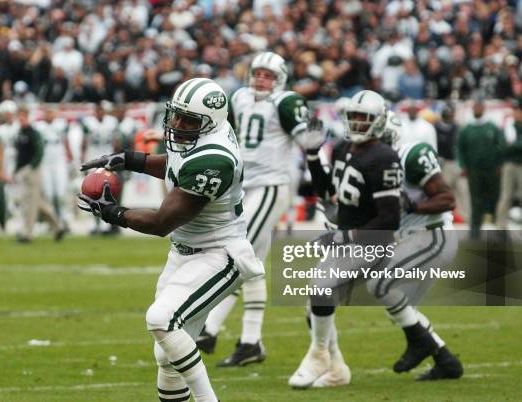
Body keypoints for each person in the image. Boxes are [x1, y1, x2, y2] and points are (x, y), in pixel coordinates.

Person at [78, 78, 264, 402]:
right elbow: (177, 166)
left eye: (189, 120)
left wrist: (115, 214)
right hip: (185, 251)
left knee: (161, 320)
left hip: (220, 254)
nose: (178, 124)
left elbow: (163, 221)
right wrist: (129, 159)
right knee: (167, 357)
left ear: (210, 123)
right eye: (176, 115)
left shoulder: (215, 158)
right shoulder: (201, 140)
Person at [196, 51, 324, 367]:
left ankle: (208, 329)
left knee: (236, 251)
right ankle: (250, 343)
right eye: (257, 73)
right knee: (251, 263)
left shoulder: (286, 101)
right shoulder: (238, 96)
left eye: (267, 75)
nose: (261, 79)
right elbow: (224, 134)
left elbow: (309, 141)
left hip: (271, 184)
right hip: (245, 184)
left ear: (279, 79)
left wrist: (318, 162)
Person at [289, 90, 402, 389]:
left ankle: (318, 355)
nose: (358, 124)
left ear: (378, 122)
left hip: (372, 243)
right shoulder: (342, 148)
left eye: (365, 118)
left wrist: (344, 235)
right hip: (349, 240)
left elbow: (390, 219)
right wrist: (313, 155)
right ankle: (336, 369)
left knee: (320, 287)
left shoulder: (385, 158)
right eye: (354, 117)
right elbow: (327, 192)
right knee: (315, 305)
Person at [370, 110, 463, 381]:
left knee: (380, 285)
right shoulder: (370, 164)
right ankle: (446, 360)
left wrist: (414, 205)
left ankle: (428, 347)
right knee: (403, 309)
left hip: (432, 235)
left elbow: (447, 199)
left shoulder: (411, 155)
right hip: (412, 239)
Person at [14, 107, 65, 243]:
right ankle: (58, 226)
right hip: (23, 170)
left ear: (28, 117)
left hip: (32, 171)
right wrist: (17, 170)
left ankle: (28, 234)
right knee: (38, 202)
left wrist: (32, 166)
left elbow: (39, 151)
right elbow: (19, 155)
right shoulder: (20, 133)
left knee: (29, 203)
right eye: (19, 116)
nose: (21, 119)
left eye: (23, 116)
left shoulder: (33, 133)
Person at [457, 100, 504, 239]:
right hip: (474, 170)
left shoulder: (492, 127)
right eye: (475, 107)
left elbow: (500, 147)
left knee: (496, 198)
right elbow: (460, 149)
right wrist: (463, 166)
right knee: (476, 200)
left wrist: (499, 165)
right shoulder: (467, 129)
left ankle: (499, 229)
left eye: (480, 107)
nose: (477, 109)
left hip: (492, 170)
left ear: (483, 109)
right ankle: (475, 230)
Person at [80, 101, 118, 235]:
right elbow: (84, 142)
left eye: (102, 110)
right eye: (98, 110)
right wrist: (83, 160)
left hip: (107, 161)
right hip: (93, 160)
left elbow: (115, 141)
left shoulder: (111, 122)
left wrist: (116, 159)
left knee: (108, 193)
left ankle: (106, 224)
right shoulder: (88, 123)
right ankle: (95, 223)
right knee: (92, 193)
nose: (100, 113)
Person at [34, 106, 72, 229]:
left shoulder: (61, 125)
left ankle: (64, 219)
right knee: (48, 194)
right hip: (45, 163)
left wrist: (71, 158)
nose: (49, 115)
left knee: (60, 194)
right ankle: (51, 222)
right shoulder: (39, 126)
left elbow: (67, 141)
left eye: (51, 112)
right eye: (47, 112)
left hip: (59, 162)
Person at [435, 104, 470, 222]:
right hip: (444, 163)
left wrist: (464, 164)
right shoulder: (436, 128)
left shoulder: (459, 128)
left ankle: (465, 217)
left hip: (457, 162)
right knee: (444, 192)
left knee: (462, 190)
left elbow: (464, 147)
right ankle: (444, 217)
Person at [495, 97, 522, 230]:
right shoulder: (508, 125)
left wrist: (514, 145)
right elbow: (503, 146)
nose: (516, 113)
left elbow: (513, 145)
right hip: (509, 164)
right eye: (515, 110)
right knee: (506, 196)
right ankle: (501, 227)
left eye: (518, 110)